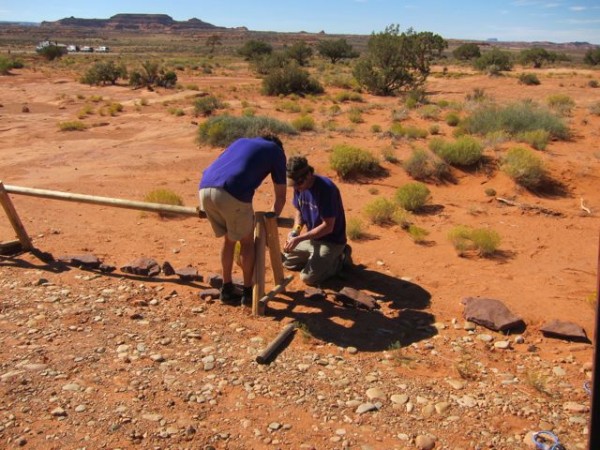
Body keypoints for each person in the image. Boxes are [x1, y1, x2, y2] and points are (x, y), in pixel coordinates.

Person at [199, 135, 287, 305]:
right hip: (232, 191)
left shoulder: (240, 141)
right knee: (247, 242)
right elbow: (281, 198)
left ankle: (226, 288)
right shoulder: (276, 152)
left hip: (204, 188)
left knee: (229, 239)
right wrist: (271, 220)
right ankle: (247, 292)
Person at [283, 156, 351, 286]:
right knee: (287, 261)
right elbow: (299, 210)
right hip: (313, 239)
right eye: (294, 184)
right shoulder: (299, 187)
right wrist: (295, 232)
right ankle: (319, 261)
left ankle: (340, 258)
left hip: (331, 242)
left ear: (308, 174)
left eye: (299, 183)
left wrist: (299, 239)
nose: (296, 188)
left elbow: (328, 226)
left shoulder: (326, 189)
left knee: (307, 278)